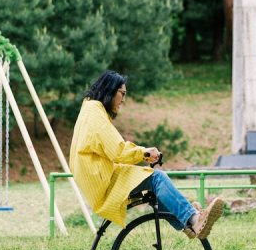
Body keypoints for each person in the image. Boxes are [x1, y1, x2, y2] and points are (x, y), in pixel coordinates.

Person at [69, 70, 224, 239]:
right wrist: (144, 152)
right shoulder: (94, 111)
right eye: (122, 93)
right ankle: (194, 219)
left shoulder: (90, 109)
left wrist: (141, 156)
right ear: (110, 90)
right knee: (156, 177)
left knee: (151, 185)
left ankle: (187, 223)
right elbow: (117, 150)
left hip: (100, 177)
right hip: (102, 181)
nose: (123, 99)